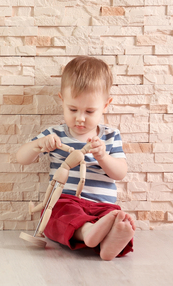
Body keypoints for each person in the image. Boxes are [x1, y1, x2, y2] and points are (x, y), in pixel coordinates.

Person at [16, 56, 135, 261]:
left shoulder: (109, 136)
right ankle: (89, 233)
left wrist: (103, 156)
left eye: (89, 111)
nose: (80, 118)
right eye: (73, 110)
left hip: (102, 206)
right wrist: (38, 144)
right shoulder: (55, 135)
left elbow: (120, 172)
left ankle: (108, 240)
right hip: (65, 201)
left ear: (106, 105)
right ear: (62, 100)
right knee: (54, 216)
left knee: (119, 219)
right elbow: (21, 158)